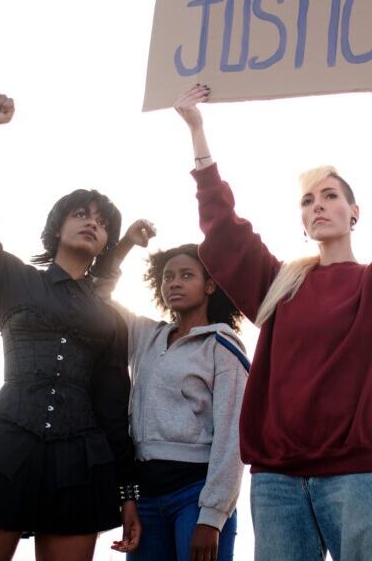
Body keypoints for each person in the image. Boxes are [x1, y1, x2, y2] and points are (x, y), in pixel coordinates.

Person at [172, 58, 372, 561]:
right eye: (307, 200)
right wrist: (196, 130)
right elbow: (224, 231)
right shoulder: (279, 285)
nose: (317, 204)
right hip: (278, 485)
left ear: (354, 212)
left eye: (330, 195)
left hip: (361, 477)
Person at [0, 91, 141, 561]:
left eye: (102, 222)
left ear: (106, 242)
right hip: (2, 447)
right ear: (57, 227)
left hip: (80, 461)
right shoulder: (12, 280)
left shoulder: (109, 318)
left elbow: (112, 406)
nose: (91, 223)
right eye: (80, 214)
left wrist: (127, 492)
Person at [92, 220, 248, 561]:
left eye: (187, 275)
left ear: (210, 286)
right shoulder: (146, 335)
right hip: (145, 498)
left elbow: (233, 435)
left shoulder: (222, 346)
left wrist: (212, 516)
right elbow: (97, 294)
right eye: (167, 276)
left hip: (195, 496)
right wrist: (125, 245)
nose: (174, 282)